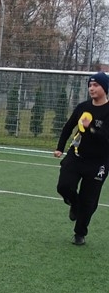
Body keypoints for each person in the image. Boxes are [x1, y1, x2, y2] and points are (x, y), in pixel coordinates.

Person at [54, 72, 109, 246]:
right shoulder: (82, 107)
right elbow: (68, 127)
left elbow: (105, 138)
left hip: (99, 162)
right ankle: (74, 203)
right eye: (90, 85)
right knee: (63, 186)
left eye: (96, 85)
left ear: (105, 88)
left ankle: (80, 233)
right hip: (76, 155)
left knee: (89, 201)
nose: (91, 88)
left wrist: (90, 127)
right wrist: (60, 147)